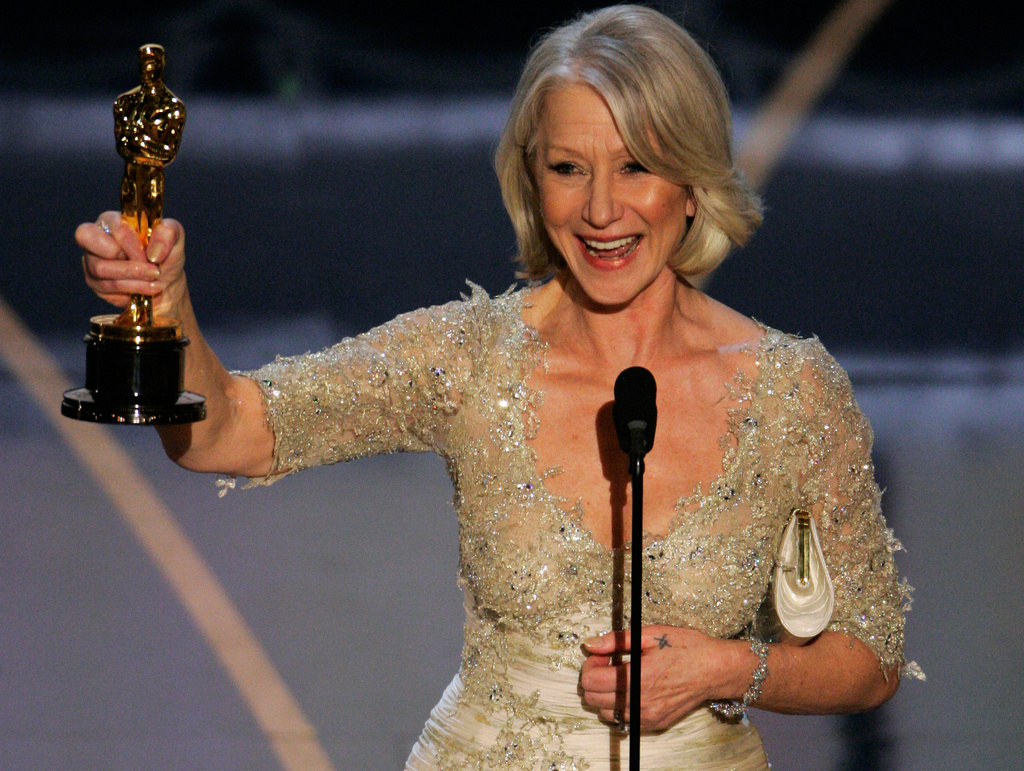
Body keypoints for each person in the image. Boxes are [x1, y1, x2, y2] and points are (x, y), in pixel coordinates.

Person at [77, 6, 916, 769]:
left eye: (636, 167)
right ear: (531, 177)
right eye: (567, 167)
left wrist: (729, 666)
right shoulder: (468, 355)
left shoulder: (794, 391)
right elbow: (232, 431)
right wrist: (168, 304)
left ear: (692, 184)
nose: (599, 209)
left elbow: (870, 656)